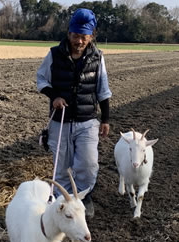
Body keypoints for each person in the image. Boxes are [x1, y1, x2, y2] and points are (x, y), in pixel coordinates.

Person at [36, 8, 112, 218]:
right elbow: (41, 81)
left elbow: (103, 90)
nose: (79, 41)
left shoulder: (98, 57)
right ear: (69, 33)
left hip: (87, 121)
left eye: (84, 37)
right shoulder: (54, 54)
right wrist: (55, 96)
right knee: (60, 168)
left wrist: (105, 119)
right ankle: (62, 205)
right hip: (60, 122)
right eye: (76, 36)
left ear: (91, 36)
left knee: (88, 165)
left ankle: (82, 199)